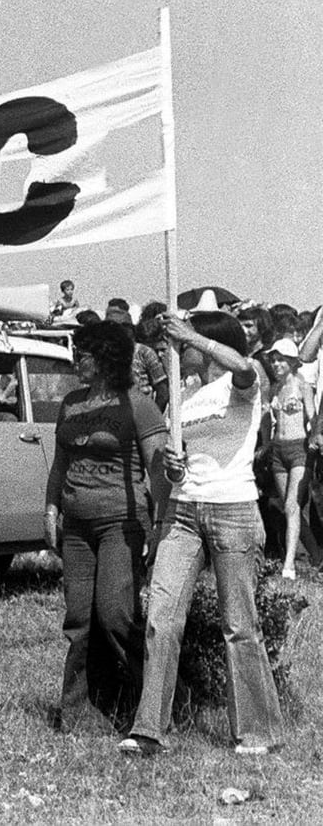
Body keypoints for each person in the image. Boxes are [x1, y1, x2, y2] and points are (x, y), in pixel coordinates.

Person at [122, 311, 286, 757]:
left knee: (239, 626)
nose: (179, 350)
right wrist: (172, 468)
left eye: (186, 343)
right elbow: (175, 463)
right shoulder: (182, 397)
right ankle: (149, 729)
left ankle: (256, 732)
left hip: (233, 508)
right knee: (161, 616)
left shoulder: (239, 385)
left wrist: (191, 333)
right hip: (183, 510)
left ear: (204, 342)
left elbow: (245, 366)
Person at [44, 320, 168, 734]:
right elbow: (60, 462)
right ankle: (78, 712)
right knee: (79, 619)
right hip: (76, 526)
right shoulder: (71, 403)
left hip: (121, 521)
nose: (78, 359)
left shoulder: (138, 405)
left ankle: (154, 706)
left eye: (86, 353)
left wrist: (159, 525)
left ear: (108, 358)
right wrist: (50, 510)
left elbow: (158, 468)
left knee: (115, 615)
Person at [258, 339, 313, 579]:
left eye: (281, 359)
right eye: (273, 360)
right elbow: (268, 422)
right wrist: (264, 446)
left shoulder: (302, 386)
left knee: (292, 505)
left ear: (292, 361)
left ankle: (288, 565)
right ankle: (317, 554)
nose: (276, 364)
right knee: (290, 508)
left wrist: (316, 441)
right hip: (278, 451)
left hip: (300, 448)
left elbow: (312, 416)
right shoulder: (274, 389)